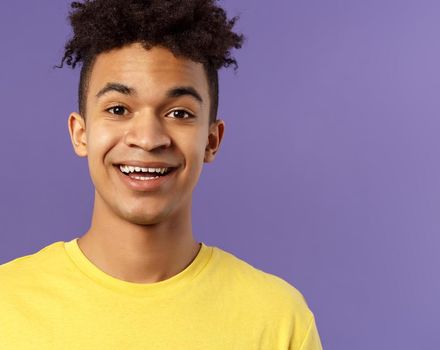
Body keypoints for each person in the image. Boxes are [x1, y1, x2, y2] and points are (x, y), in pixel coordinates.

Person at [0, 0, 323, 349]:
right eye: (119, 109)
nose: (148, 139)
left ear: (211, 141)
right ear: (81, 133)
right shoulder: (8, 304)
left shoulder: (277, 319)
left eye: (179, 114)